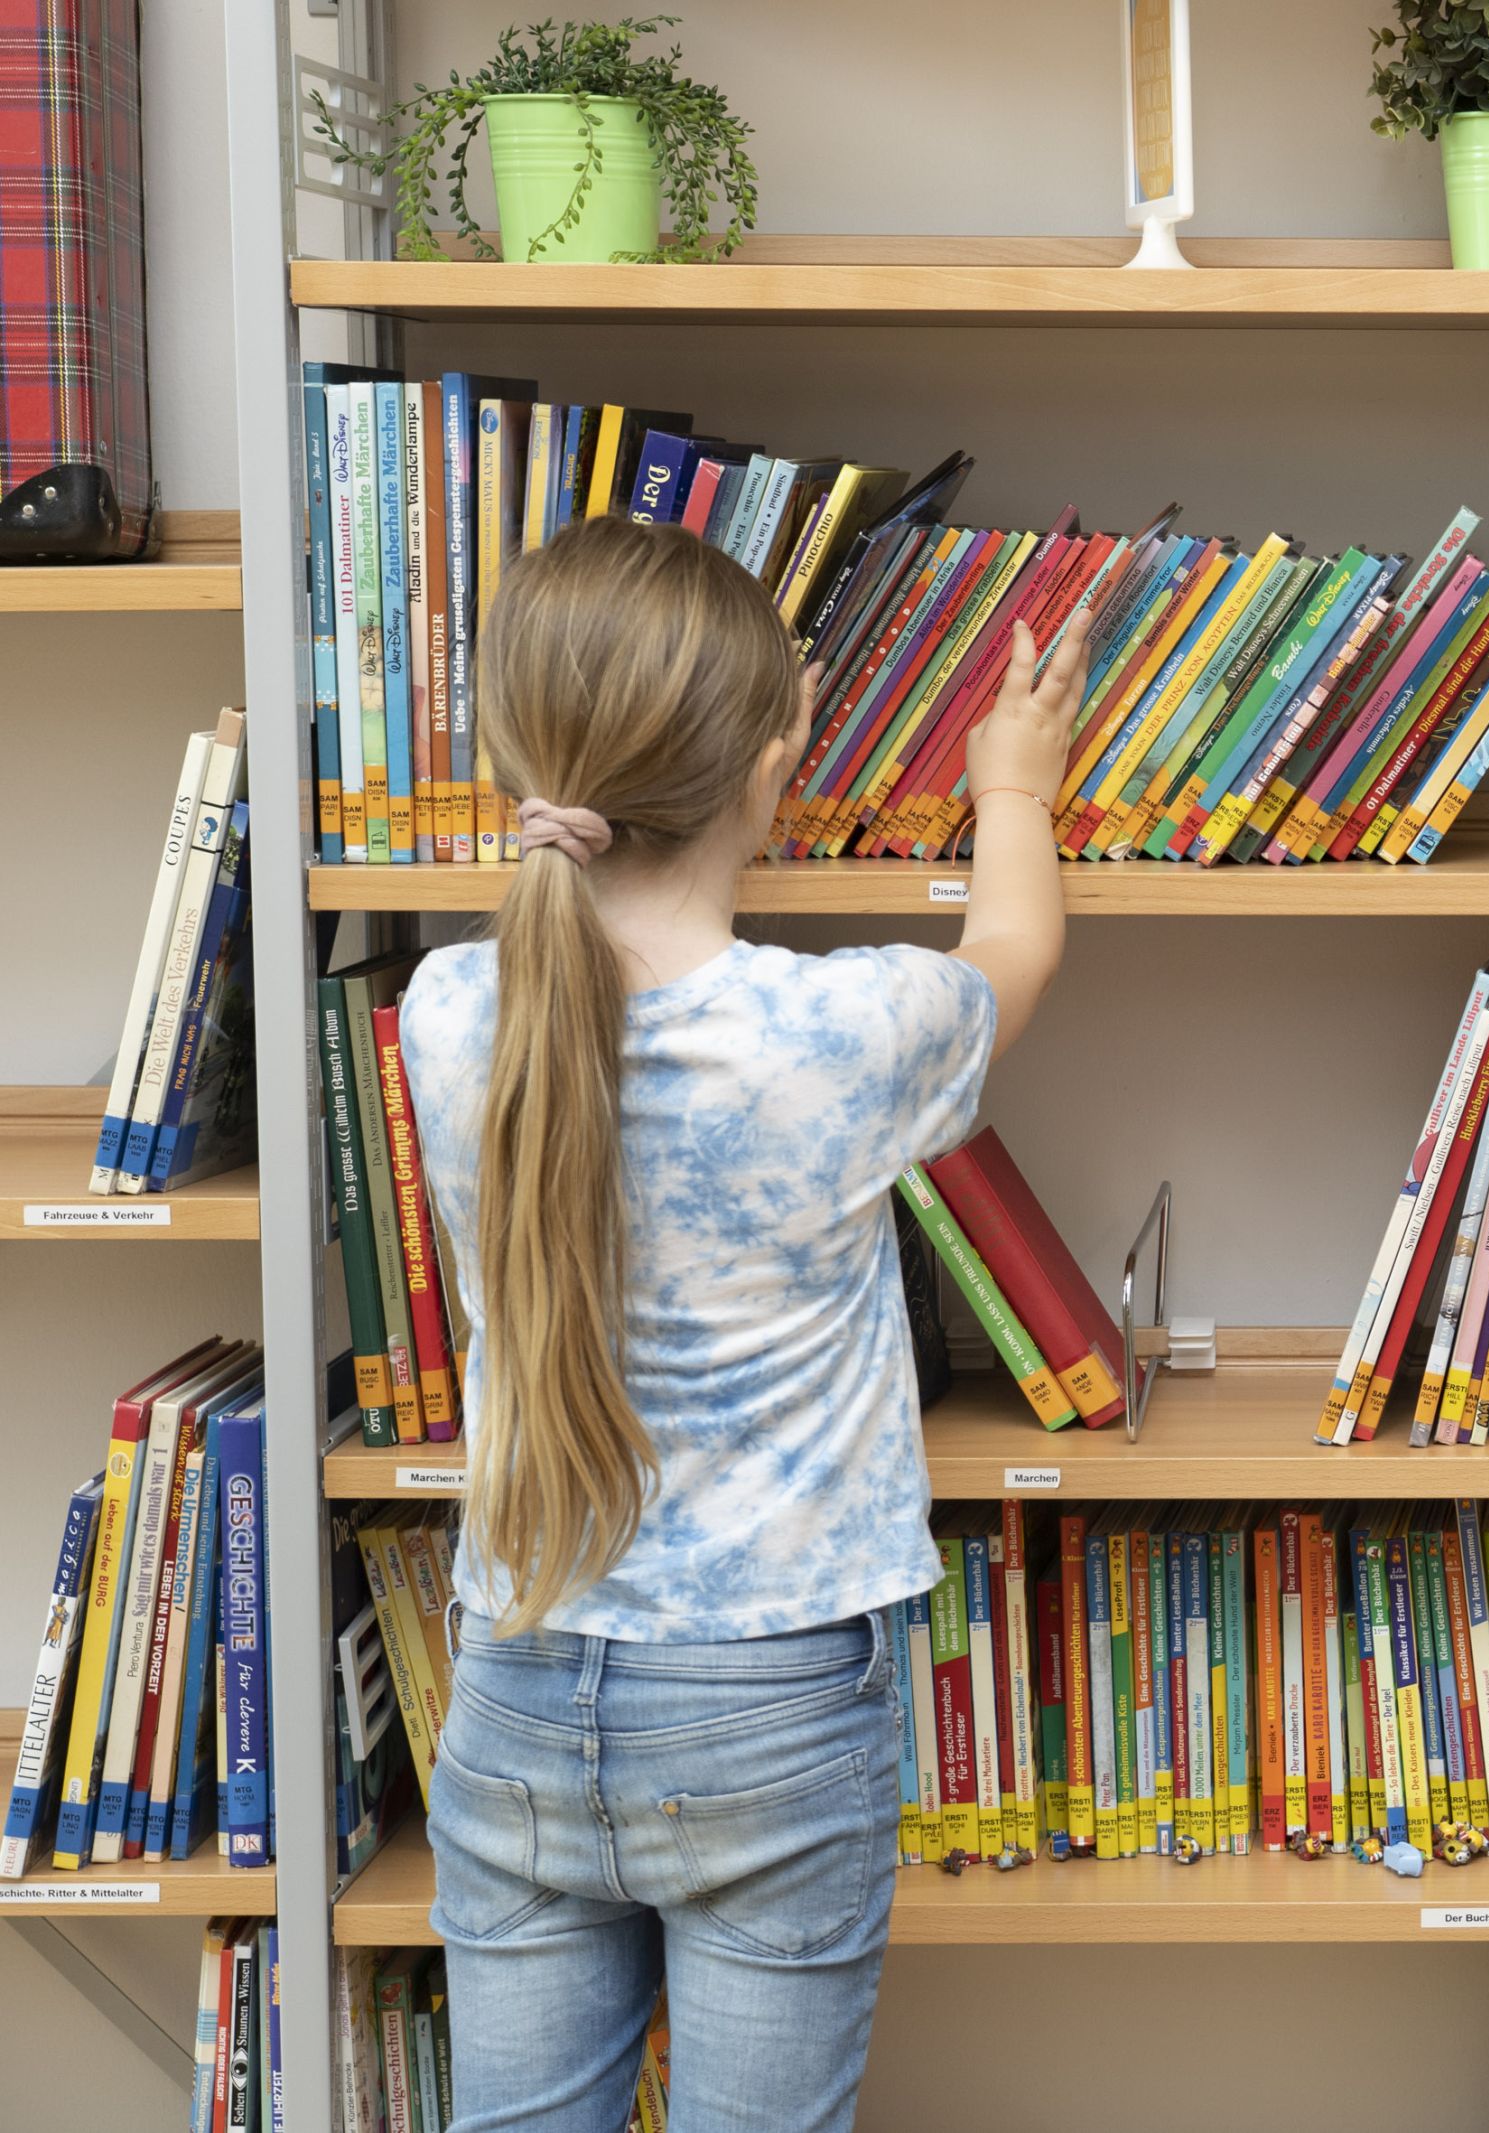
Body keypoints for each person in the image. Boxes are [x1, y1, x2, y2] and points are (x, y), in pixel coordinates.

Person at [398, 514, 1086, 2133]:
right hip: (772, 1703)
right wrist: (1015, 782)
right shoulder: (847, 1030)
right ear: (774, 758)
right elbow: (1017, 944)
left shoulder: (447, 1018)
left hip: (514, 1671)